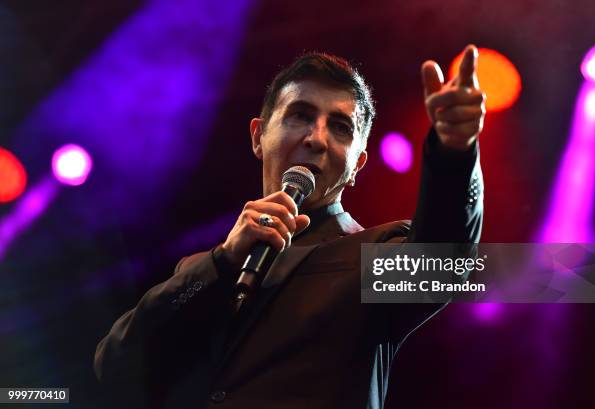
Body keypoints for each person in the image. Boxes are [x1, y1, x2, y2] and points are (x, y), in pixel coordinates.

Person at [94, 45, 485, 408]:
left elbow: (445, 261)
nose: (316, 138)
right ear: (258, 137)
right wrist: (223, 262)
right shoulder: (202, 269)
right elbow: (115, 364)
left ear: (357, 166)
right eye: (300, 115)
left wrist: (455, 152)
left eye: (340, 127)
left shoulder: (374, 254)